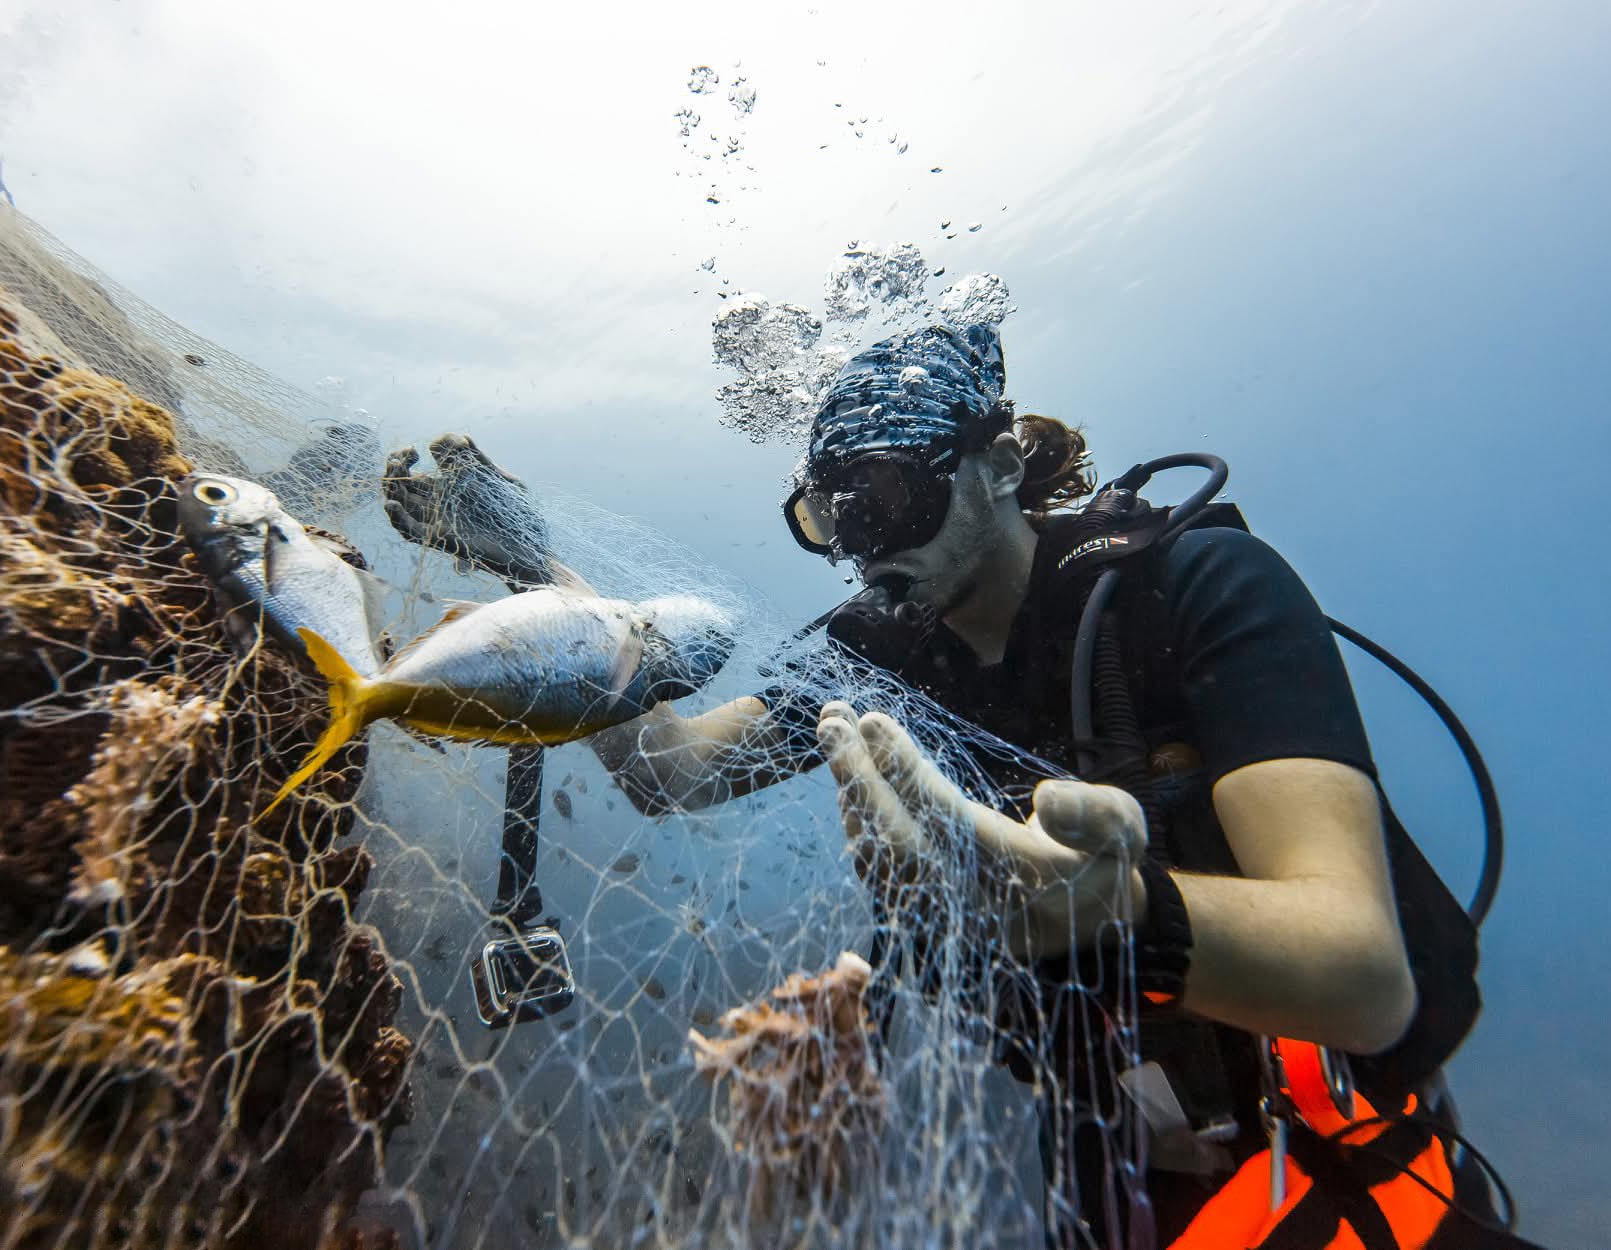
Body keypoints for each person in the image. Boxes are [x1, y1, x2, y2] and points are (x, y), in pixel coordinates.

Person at [588, 324, 1536, 1249]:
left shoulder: (1191, 584)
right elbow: (674, 772)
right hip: (1107, 1153)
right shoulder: (879, 651)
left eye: (886, 497)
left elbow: (1364, 977)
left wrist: (1118, 911)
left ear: (998, 466)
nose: (865, 550)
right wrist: (557, 616)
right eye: (832, 520)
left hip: (1339, 1140)